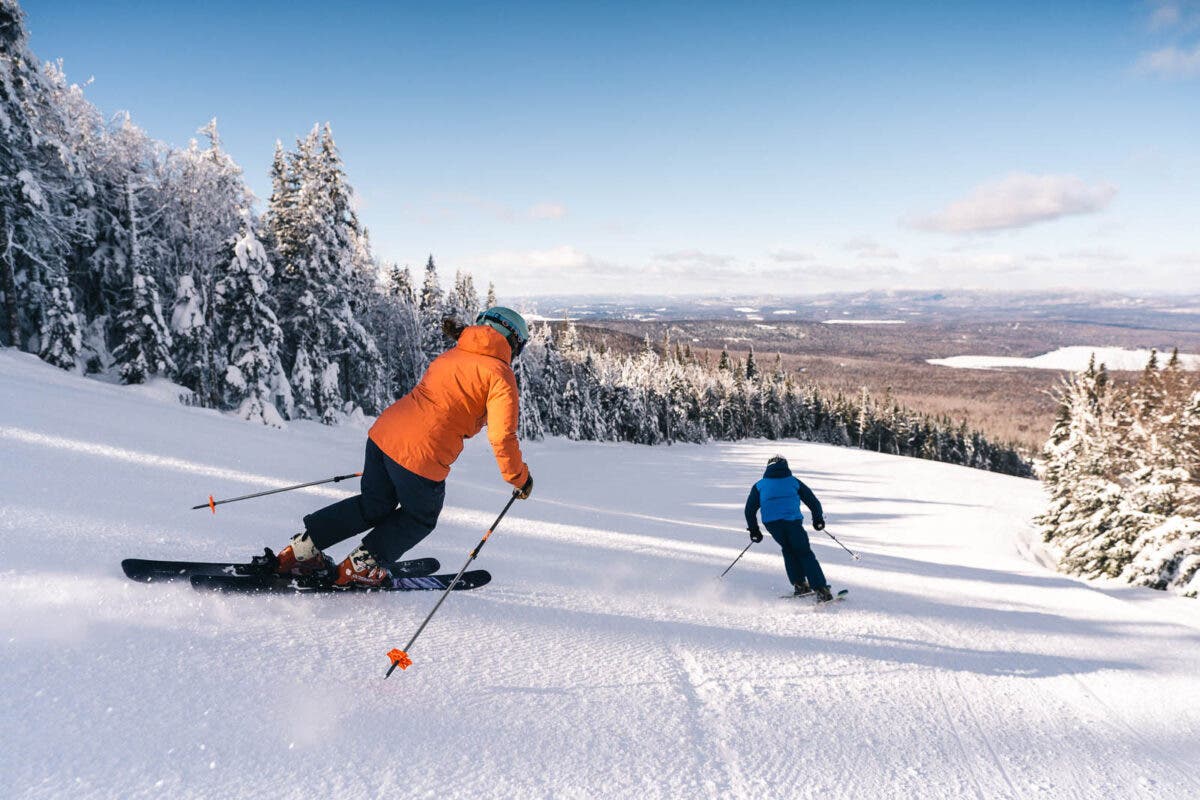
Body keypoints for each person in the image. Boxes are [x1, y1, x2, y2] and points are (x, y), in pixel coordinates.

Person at [273, 307, 535, 588]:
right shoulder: (500, 375)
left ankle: (299, 552)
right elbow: (502, 437)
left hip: (383, 435)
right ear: (513, 340)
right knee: (420, 517)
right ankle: (359, 568)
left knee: (373, 505)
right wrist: (519, 478)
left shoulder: (452, 355)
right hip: (423, 456)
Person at [744, 455, 833, 601]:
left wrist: (754, 530)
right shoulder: (793, 481)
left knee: (788, 549)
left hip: (772, 525)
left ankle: (800, 584)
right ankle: (821, 589)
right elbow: (812, 500)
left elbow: (749, 510)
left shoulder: (760, 485)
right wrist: (818, 518)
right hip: (792, 523)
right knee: (804, 552)